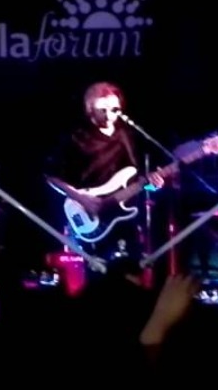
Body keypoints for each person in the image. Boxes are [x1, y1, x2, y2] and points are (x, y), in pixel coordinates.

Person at [45, 82, 165, 265]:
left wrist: (152, 185)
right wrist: (80, 197)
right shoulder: (76, 137)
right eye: (103, 109)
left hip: (124, 217)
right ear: (90, 109)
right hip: (89, 214)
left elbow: (135, 178)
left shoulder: (127, 135)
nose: (109, 114)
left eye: (114, 109)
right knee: (98, 271)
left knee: (132, 270)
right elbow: (51, 176)